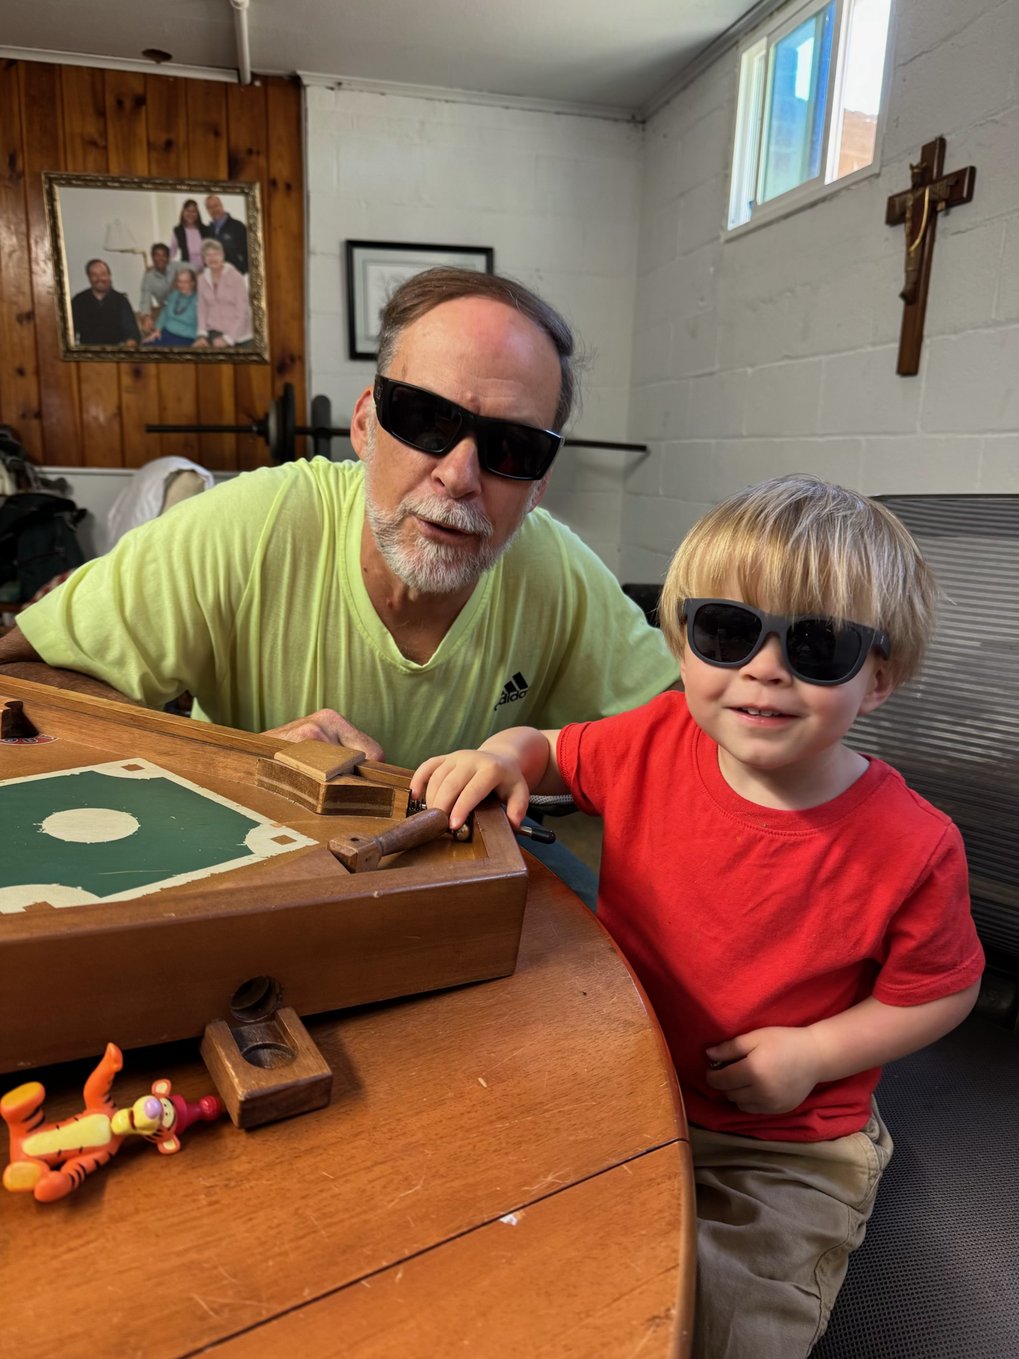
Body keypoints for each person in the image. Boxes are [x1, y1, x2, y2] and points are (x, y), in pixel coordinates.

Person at [411, 473, 985, 1359]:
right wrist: (499, 755)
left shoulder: (913, 846)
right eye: (727, 631)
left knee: (724, 1320)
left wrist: (815, 1053)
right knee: (503, 1259)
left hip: (784, 1146)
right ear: (684, 643)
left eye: (816, 646)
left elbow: (942, 991)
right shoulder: (654, 738)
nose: (763, 666)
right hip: (625, 1086)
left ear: (878, 679)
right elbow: (549, 748)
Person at [0, 265, 677, 776]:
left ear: (537, 487)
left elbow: (678, 735)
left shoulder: (554, 569)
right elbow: (19, 682)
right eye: (426, 419)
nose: (459, 476)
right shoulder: (246, 528)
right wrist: (237, 767)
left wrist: (531, 762)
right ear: (364, 425)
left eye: (513, 449)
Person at [192, 239, 253, 348]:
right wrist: (201, 335)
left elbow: (243, 312)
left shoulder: (236, 277)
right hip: (215, 332)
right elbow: (202, 309)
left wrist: (228, 339)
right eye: (208, 255)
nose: (212, 258)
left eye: (216, 254)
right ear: (204, 259)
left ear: (223, 256)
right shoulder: (201, 279)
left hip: (240, 335)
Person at [70, 260, 140, 347]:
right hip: (88, 355)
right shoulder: (79, 301)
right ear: (89, 278)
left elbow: (132, 334)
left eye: (103, 274)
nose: (99, 279)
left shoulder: (121, 301)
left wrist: (126, 349)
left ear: (109, 276)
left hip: (117, 354)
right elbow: (69, 333)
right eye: (94, 275)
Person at [142, 266, 199, 347]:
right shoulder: (174, 295)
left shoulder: (199, 300)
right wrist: (157, 330)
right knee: (145, 347)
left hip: (185, 338)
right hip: (166, 333)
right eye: (179, 281)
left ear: (192, 283)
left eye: (185, 282)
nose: (181, 285)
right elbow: (164, 313)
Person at [137, 243, 178, 335]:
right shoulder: (149, 277)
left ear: (168, 258)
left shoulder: (176, 268)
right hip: (166, 310)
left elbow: (195, 269)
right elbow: (145, 299)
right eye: (157, 255)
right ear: (152, 257)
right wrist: (146, 316)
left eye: (163, 255)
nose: (160, 258)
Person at [204, 194, 248, 275]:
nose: (214, 209)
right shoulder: (208, 230)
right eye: (210, 208)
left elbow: (248, 251)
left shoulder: (238, 226)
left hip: (235, 275)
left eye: (216, 206)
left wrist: (242, 271)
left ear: (221, 205)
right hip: (216, 276)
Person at [169, 199, 208, 270]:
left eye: (193, 211)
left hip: (206, 270)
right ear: (183, 212)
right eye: (188, 211)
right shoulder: (178, 231)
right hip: (187, 270)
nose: (190, 214)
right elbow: (172, 252)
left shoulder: (206, 230)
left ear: (197, 214)